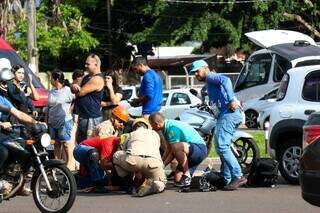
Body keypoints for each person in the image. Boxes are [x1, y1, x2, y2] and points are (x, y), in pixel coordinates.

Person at [189, 59, 246, 190]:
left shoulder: (211, 76)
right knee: (223, 145)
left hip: (229, 114)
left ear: (205, 68)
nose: (196, 75)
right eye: (194, 73)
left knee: (221, 145)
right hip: (227, 114)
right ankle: (226, 179)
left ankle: (238, 175)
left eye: (197, 71)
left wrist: (231, 99)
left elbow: (226, 81)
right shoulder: (209, 83)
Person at [0, 68, 43, 196]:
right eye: (3, 83)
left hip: (4, 132)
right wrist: (1, 123)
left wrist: (35, 122)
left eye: (6, 83)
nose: (5, 85)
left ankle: (15, 181)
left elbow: (17, 113)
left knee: (24, 147)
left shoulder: (3, 99)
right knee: (3, 151)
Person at [73, 106, 129, 192]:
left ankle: (77, 179)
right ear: (113, 117)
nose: (121, 125)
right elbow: (104, 159)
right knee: (95, 155)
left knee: (104, 178)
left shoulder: (115, 130)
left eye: (123, 123)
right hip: (85, 150)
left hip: (94, 154)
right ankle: (96, 185)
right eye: (120, 121)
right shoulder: (106, 128)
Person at [149, 112, 207, 188]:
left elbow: (174, 151)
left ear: (157, 124)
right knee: (178, 180)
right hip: (190, 152)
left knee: (177, 146)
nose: (152, 128)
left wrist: (162, 166)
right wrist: (161, 162)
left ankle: (187, 174)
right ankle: (202, 175)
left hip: (199, 149)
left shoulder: (172, 128)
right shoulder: (166, 128)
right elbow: (169, 148)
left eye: (152, 125)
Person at [113, 118, 166, 197]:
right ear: (147, 126)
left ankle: (130, 186)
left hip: (134, 161)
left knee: (116, 156)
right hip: (153, 163)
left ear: (134, 127)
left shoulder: (131, 134)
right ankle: (154, 186)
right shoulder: (155, 134)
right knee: (162, 183)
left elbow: (125, 149)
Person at [71, 54, 104, 143]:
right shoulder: (86, 77)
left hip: (91, 118)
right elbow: (74, 89)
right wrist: (73, 86)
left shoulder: (97, 79)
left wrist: (76, 88)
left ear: (96, 65)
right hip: (83, 117)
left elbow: (80, 93)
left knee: (89, 146)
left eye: (88, 64)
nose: (85, 66)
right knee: (81, 145)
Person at [47, 70, 75, 170]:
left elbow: (75, 100)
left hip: (64, 122)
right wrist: (47, 121)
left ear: (56, 79)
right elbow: (49, 107)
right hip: (52, 122)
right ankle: (57, 166)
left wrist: (70, 110)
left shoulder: (68, 90)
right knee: (56, 144)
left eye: (51, 79)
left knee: (66, 144)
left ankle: (69, 166)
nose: (50, 80)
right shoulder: (51, 91)